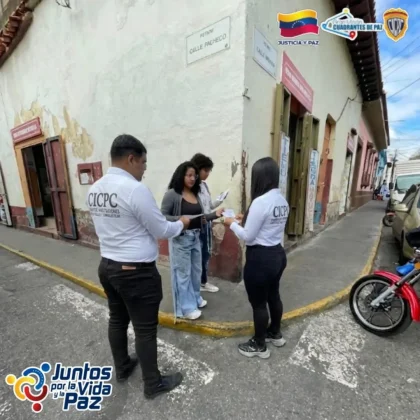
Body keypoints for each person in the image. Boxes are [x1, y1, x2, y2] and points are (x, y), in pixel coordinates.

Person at [88, 134, 190, 400]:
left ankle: (122, 367)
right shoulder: (135, 189)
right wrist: (182, 224)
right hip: (135, 272)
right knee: (145, 329)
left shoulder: (95, 189)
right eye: (143, 163)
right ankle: (152, 383)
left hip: (107, 265)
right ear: (131, 159)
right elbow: (161, 229)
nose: (145, 169)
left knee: (117, 319)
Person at [223, 157, 289, 359]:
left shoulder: (260, 202)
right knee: (273, 295)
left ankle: (259, 345)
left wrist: (230, 224)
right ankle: (275, 333)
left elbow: (248, 236)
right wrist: (244, 219)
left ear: (260, 177)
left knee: (259, 303)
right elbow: (268, 225)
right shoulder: (282, 201)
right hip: (277, 255)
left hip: (260, 259)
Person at [161, 161, 224, 320]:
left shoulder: (195, 194)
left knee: (196, 272)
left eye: (194, 176)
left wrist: (215, 214)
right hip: (181, 239)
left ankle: (195, 298)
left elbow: (200, 218)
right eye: (188, 175)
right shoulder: (172, 194)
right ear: (181, 175)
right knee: (183, 274)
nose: (192, 178)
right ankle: (186, 308)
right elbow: (163, 216)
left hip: (196, 237)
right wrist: (179, 219)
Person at [190, 153, 224, 293]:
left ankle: (202, 282)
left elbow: (208, 206)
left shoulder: (204, 186)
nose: (208, 174)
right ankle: (198, 283)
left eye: (209, 171)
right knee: (198, 255)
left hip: (207, 223)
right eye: (206, 170)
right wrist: (212, 215)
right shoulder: (192, 187)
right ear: (198, 169)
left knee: (205, 253)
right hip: (197, 225)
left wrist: (220, 200)